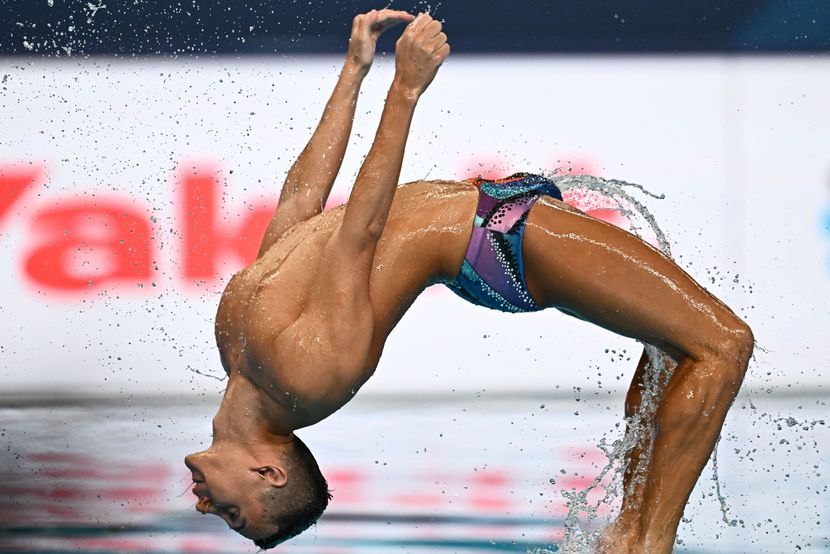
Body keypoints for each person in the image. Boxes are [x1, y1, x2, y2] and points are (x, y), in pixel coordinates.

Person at [183, 9, 753, 553]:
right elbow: (362, 228)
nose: (210, 509)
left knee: (673, 349)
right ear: (270, 472)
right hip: (495, 240)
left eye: (232, 516)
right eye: (235, 513)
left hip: (488, 220)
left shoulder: (237, 346)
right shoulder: (305, 381)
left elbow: (299, 199)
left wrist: (354, 70)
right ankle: (645, 542)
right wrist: (405, 89)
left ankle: (628, 528)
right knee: (724, 344)